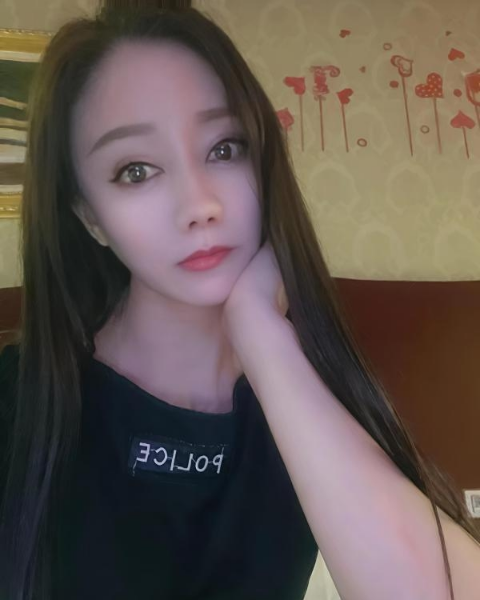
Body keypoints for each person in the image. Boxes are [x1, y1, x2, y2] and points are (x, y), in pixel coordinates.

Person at [0, 1, 479, 599]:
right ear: (89, 216)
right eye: (136, 170)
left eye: (224, 148)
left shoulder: (310, 392)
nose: (200, 204)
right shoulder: (18, 403)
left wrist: (261, 333)